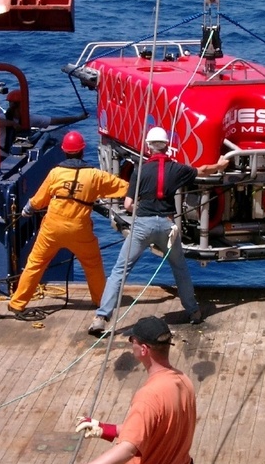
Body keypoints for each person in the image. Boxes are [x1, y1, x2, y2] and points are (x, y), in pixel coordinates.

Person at [88, 126, 229, 336]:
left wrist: (143, 210)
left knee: (120, 271)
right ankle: (193, 312)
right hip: (167, 225)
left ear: (148, 147)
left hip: (142, 226)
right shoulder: (178, 169)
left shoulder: (140, 171)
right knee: (179, 268)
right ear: (167, 146)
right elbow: (203, 170)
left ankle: (101, 318)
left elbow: (128, 205)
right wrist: (220, 164)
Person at [50, 316, 197, 464]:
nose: (131, 345)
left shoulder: (149, 396)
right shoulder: (183, 380)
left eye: (131, 341)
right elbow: (157, 428)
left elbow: (127, 450)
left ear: (143, 349)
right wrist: (105, 429)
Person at [7, 130, 129, 313]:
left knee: (35, 263)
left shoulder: (55, 173)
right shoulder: (95, 176)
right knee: (92, 264)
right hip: (79, 229)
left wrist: (26, 210)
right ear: (82, 151)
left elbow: (38, 200)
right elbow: (125, 188)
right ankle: (100, 301)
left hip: (52, 229)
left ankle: (17, 304)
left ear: (64, 151)